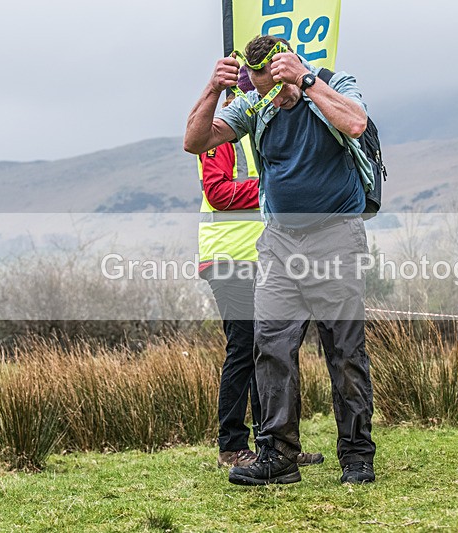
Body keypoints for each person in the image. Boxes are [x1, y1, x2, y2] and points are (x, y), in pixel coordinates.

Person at [185, 35, 376, 485]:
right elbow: (195, 142)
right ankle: (278, 456)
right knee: (269, 345)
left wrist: (306, 81)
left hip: (336, 237)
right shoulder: (255, 105)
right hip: (278, 243)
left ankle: (356, 454)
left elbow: (355, 124)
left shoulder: (332, 83)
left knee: (344, 350)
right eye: (258, 87)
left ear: (288, 66)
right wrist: (213, 89)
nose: (267, 95)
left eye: (272, 84)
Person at [197, 69, 324, 470]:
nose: (254, 99)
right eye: (246, 93)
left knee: (272, 347)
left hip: (265, 258)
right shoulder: (222, 137)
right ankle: (232, 445)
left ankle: (277, 445)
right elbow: (216, 192)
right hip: (228, 257)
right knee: (244, 347)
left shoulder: (263, 134)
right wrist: (276, 185)